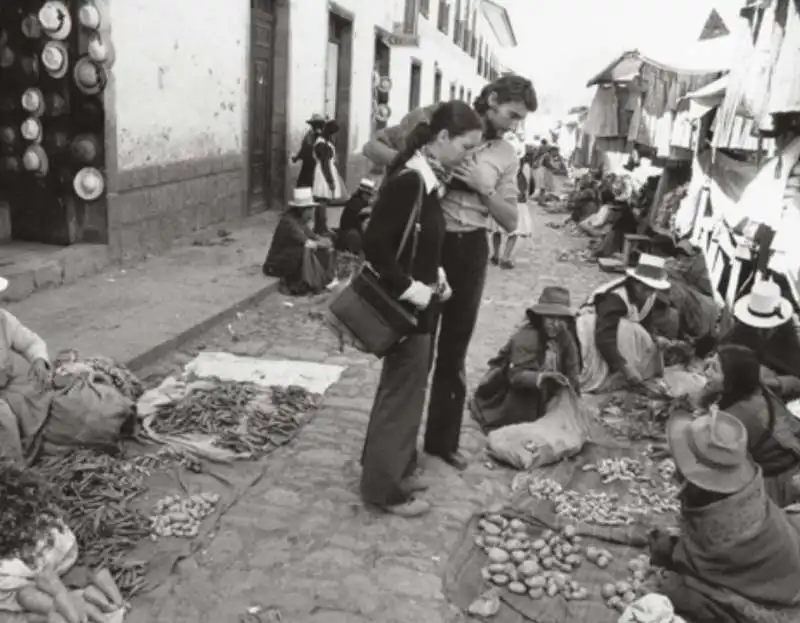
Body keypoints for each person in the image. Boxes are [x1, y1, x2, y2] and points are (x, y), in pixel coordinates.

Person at [362, 75, 538, 471]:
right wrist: (425, 168)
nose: (514, 125)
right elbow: (372, 146)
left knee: (454, 352)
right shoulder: (437, 118)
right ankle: (398, 448)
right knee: (412, 349)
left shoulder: (508, 154)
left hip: (471, 249)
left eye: (520, 119)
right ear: (491, 99)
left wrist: (482, 187)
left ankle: (442, 442)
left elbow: (512, 221)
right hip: (427, 246)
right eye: (511, 114)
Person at [359, 101, 483, 517]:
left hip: (423, 303)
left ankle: (398, 467)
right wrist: (408, 286)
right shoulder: (410, 180)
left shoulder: (428, 180)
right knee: (401, 395)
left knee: (409, 393)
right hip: (406, 307)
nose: (469, 156)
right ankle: (385, 489)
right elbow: (375, 244)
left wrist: (438, 272)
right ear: (442, 138)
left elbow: (422, 240)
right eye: (466, 146)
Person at [649, 408, 800, 623]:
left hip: (780, 593)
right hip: (783, 553)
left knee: (679, 591)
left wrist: (678, 571)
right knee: (667, 549)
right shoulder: (738, 485)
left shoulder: (720, 524)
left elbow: (709, 568)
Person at [699, 344, 800, 507]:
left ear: (732, 379)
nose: (706, 372)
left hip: (779, 482)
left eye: (715, 369)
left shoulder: (738, 416)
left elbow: (711, 460)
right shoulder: (756, 390)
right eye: (708, 365)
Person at [469, 286, 581, 433]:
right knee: (522, 421)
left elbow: (572, 369)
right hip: (514, 389)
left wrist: (573, 396)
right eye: (550, 318)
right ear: (540, 318)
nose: (555, 324)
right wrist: (542, 377)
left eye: (561, 319)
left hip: (547, 388)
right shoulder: (527, 337)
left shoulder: (565, 337)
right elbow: (515, 376)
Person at [577, 253, 676, 393]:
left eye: (652, 289)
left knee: (638, 336)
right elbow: (605, 337)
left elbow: (644, 325)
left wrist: (654, 339)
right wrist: (624, 366)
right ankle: (609, 371)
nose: (648, 293)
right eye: (645, 288)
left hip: (619, 335)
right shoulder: (615, 297)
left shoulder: (649, 296)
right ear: (635, 283)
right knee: (626, 330)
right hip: (591, 329)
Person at [719, 279, 800, 400]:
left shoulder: (793, 338)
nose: (759, 329)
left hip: (779, 395)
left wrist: (775, 383)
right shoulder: (741, 329)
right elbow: (723, 352)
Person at [0, 276, 52, 462]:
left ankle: (33, 446)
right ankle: (13, 470)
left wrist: (38, 360)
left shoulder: (3, 319)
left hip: (5, 383)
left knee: (41, 389)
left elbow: (30, 342)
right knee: (4, 419)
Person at [262, 188, 335, 295]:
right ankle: (298, 283)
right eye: (310, 210)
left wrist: (324, 241)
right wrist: (321, 243)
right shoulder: (288, 222)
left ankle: (321, 278)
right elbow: (307, 242)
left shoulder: (299, 221)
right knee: (303, 251)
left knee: (319, 249)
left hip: (288, 259)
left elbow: (313, 236)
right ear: (302, 210)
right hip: (275, 264)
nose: (311, 213)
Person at [489, 133, 533, 269]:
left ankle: (496, 255)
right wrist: (526, 197)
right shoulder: (523, 166)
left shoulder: (496, 164)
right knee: (513, 230)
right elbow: (527, 185)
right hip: (515, 200)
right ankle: (505, 257)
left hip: (498, 197)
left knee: (497, 229)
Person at [312, 119, 347, 235]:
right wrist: (330, 181)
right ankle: (320, 227)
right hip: (323, 173)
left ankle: (321, 227)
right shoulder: (322, 144)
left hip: (324, 171)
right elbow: (325, 164)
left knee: (323, 201)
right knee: (322, 201)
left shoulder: (324, 142)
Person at [335, 178, 376, 255]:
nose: (369, 197)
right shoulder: (355, 203)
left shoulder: (358, 202)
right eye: (368, 195)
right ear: (362, 193)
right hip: (349, 237)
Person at [292, 114, 326, 189]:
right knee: (304, 188)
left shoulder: (324, 137)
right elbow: (304, 150)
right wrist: (296, 158)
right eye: (314, 124)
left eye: (319, 124)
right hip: (308, 168)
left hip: (319, 169)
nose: (316, 127)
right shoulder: (309, 135)